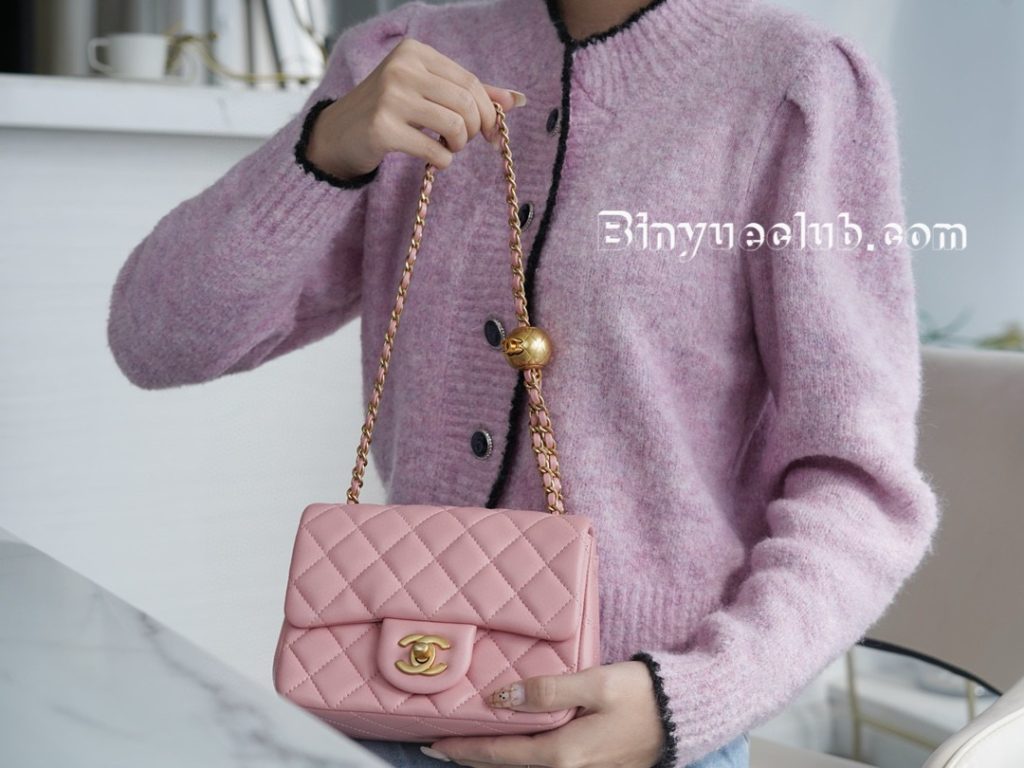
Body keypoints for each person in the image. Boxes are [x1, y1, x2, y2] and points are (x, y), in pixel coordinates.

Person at [105, 0, 941, 766]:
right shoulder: (405, 52)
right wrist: (322, 153)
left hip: (636, 730)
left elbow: (860, 487)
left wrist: (687, 699)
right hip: (379, 697)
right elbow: (156, 340)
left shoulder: (792, 86)